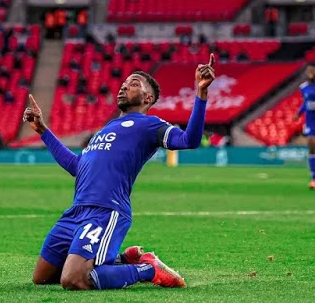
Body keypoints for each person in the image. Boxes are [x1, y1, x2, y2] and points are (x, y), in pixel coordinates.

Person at [23, 54, 215, 290]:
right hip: (75, 213)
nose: (124, 86)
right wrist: (43, 130)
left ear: (148, 97)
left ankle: (148, 269)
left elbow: (189, 140)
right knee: (41, 278)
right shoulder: (105, 129)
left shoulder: (149, 125)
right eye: (124, 83)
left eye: (134, 84)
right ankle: (124, 259)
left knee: (73, 279)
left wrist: (201, 93)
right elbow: (76, 167)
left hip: (105, 212)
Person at [294, 62, 315, 191]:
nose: (310, 72)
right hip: (311, 120)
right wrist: (298, 113)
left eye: (312, 70)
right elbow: (306, 103)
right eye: (308, 70)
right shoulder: (303, 87)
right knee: (311, 145)